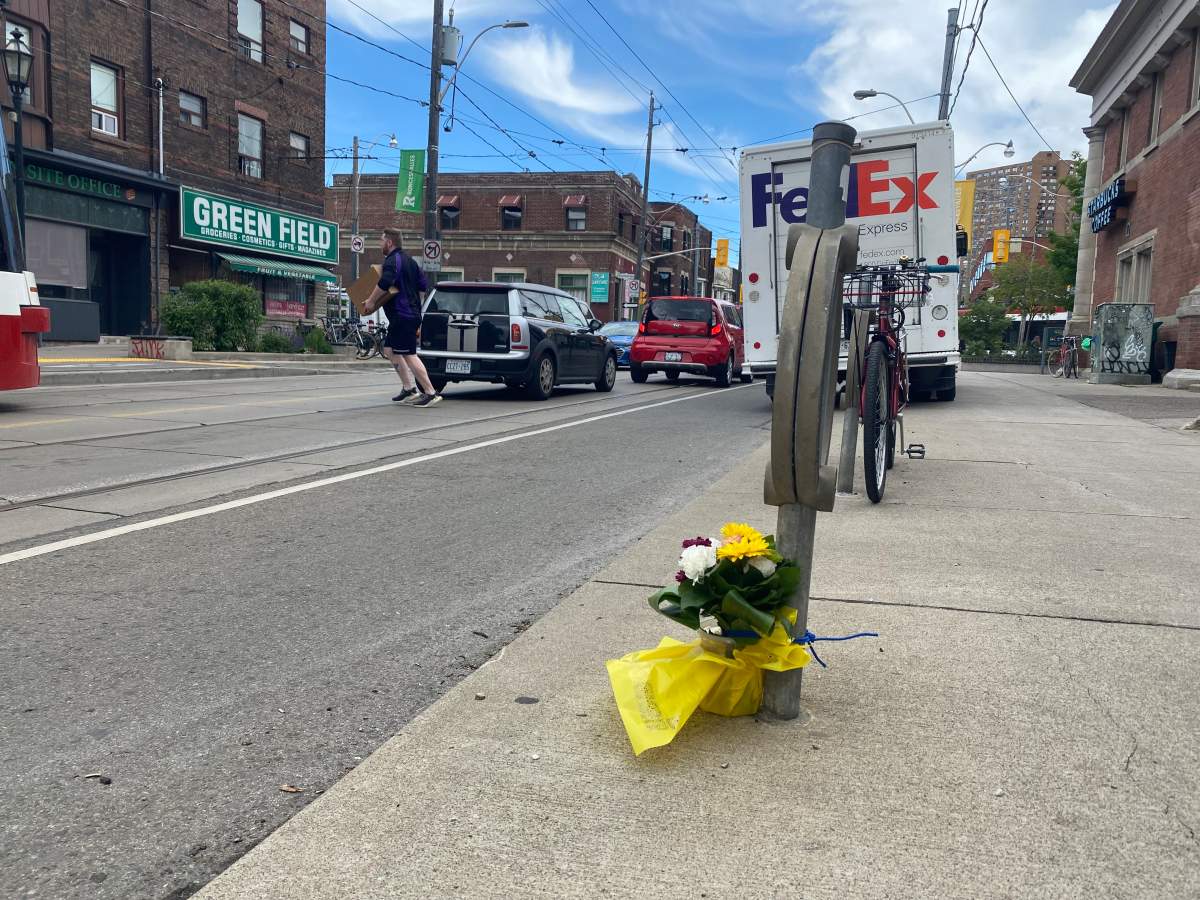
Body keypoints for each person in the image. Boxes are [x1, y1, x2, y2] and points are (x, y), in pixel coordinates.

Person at [363, 229, 441, 407]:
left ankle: (430, 392)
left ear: (389, 242)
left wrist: (370, 301)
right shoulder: (410, 261)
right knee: (390, 350)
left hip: (403, 315)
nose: (379, 244)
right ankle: (409, 388)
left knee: (409, 354)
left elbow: (385, 282)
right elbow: (423, 285)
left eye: (381, 240)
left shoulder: (392, 261)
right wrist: (417, 309)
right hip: (407, 315)